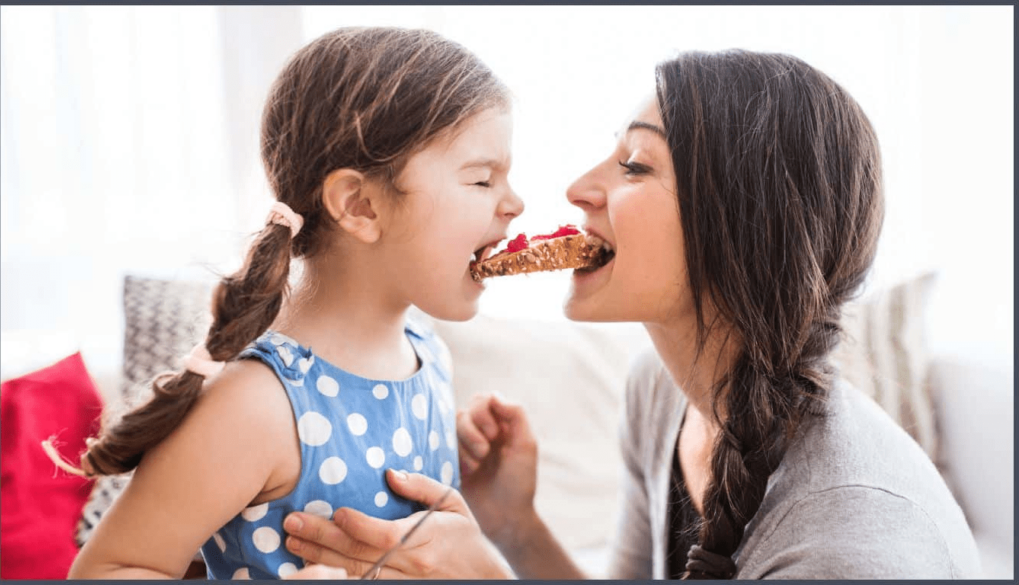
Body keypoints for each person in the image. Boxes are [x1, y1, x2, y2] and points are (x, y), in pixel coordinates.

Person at [279, 49, 982, 579]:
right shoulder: (663, 392)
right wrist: (515, 527)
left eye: (636, 165)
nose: (578, 188)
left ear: (741, 227)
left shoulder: (853, 540)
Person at [52, 26, 523, 579]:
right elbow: (107, 570)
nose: (515, 204)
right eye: (483, 180)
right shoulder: (256, 404)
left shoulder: (427, 352)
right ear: (361, 206)